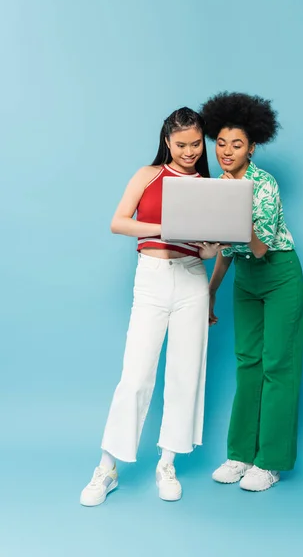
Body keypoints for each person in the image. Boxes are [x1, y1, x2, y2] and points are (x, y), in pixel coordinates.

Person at [80, 107, 222, 506]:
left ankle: (167, 464)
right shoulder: (149, 175)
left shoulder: (206, 185)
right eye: (182, 144)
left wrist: (212, 246)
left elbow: (208, 250)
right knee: (137, 375)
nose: (190, 151)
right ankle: (107, 468)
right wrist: (166, 227)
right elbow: (119, 222)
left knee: (184, 374)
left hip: (193, 278)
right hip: (153, 277)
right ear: (167, 141)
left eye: (196, 144)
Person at [200, 92, 303, 492]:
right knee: (247, 363)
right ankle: (240, 455)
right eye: (221, 143)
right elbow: (228, 250)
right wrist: (211, 291)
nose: (226, 152)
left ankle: (271, 461)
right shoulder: (218, 184)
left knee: (278, 365)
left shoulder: (264, 185)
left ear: (252, 147)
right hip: (245, 278)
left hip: (278, 273)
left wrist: (232, 209)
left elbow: (259, 247)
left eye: (236, 144)